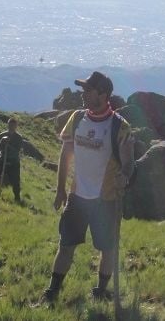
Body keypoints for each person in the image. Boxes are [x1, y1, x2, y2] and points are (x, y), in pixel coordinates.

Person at [41, 71, 134, 302]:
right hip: (77, 197)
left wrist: (125, 175)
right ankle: (52, 292)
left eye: (88, 90)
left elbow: (129, 161)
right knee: (66, 244)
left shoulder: (119, 127)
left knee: (107, 248)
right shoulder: (77, 118)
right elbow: (65, 154)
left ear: (102, 94)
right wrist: (60, 189)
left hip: (107, 199)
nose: (83, 94)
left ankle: (100, 291)